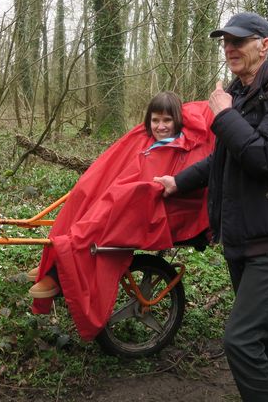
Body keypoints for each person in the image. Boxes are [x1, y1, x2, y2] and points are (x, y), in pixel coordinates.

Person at [155, 12, 268, 402]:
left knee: (241, 340)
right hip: (244, 232)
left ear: (265, 45)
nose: (230, 48)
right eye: (225, 42)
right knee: (267, 331)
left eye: (239, 41)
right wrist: (178, 181)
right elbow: (224, 158)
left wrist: (224, 113)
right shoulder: (242, 91)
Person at [30, 92, 215, 341]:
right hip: (136, 196)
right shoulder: (144, 138)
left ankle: (63, 271)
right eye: (155, 120)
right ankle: (57, 262)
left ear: (178, 121)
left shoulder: (185, 146)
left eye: (167, 121)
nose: (161, 127)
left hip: (157, 207)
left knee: (108, 209)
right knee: (85, 192)